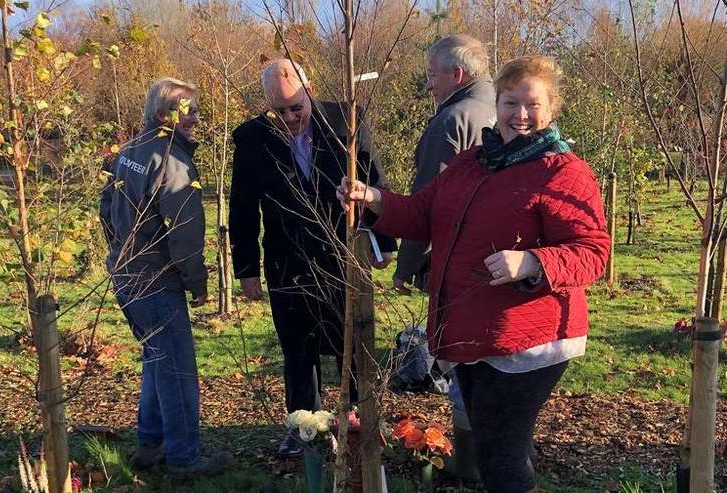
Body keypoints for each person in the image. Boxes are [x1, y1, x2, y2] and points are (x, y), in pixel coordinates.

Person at [339, 56, 610, 493]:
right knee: (498, 445)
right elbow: (424, 214)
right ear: (496, 104)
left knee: (498, 455)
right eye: (510, 102)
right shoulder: (473, 162)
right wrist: (372, 197)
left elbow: (593, 252)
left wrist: (534, 262)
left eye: (532, 104)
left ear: (551, 109)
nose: (520, 114)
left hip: (529, 338)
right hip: (470, 330)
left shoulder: (563, 172)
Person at [229, 59, 396, 457]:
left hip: (343, 255)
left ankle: (356, 421)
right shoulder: (252, 138)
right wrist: (246, 268)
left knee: (350, 340)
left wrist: (385, 241)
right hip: (287, 259)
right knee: (297, 347)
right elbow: (242, 207)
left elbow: (375, 180)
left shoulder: (346, 122)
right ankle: (303, 425)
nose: (288, 117)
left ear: (309, 88)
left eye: (295, 107)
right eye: (279, 110)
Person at [100, 77, 229, 479]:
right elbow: (185, 233)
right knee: (177, 369)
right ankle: (184, 458)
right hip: (156, 278)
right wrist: (198, 282)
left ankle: (149, 443)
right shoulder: (172, 161)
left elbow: (106, 206)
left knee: (156, 359)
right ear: (162, 115)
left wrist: (119, 248)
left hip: (126, 273)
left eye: (194, 109)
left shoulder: (130, 151)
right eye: (186, 110)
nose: (195, 117)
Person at [393, 34, 495, 294]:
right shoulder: (506, 107)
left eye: (433, 75)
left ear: (457, 74)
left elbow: (429, 196)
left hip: (453, 259)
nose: (428, 85)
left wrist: (407, 265)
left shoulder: (452, 120)